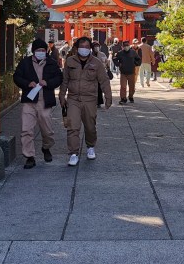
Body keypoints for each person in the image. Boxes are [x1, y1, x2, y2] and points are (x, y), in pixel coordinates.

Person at [58, 36, 112, 165]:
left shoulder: (96, 63)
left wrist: (108, 97)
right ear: (77, 48)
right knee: (72, 127)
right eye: (82, 47)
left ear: (90, 49)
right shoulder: (70, 61)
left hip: (89, 99)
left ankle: (90, 146)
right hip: (73, 99)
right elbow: (65, 80)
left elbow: (104, 81)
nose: (84, 49)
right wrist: (61, 95)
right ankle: (73, 153)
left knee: (90, 126)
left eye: (87, 47)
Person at [12, 39, 64, 169]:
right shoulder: (25, 63)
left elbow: (59, 78)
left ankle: (46, 147)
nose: (40, 52)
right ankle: (29, 156)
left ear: (46, 51)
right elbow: (17, 77)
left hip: (45, 101)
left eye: (42, 50)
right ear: (33, 51)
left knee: (47, 130)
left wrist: (48, 83)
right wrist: (27, 83)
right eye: (38, 50)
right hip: (29, 101)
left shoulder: (51, 63)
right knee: (26, 130)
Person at [114, 39, 141, 104]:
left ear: (129, 46)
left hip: (131, 72)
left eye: (127, 45)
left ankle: (131, 96)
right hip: (123, 72)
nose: (126, 47)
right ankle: (123, 98)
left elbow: (138, 59)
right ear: (123, 46)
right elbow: (114, 59)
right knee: (123, 86)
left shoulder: (133, 52)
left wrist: (136, 64)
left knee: (131, 86)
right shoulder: (120, 53)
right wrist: (118, 64)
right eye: (125, 46)